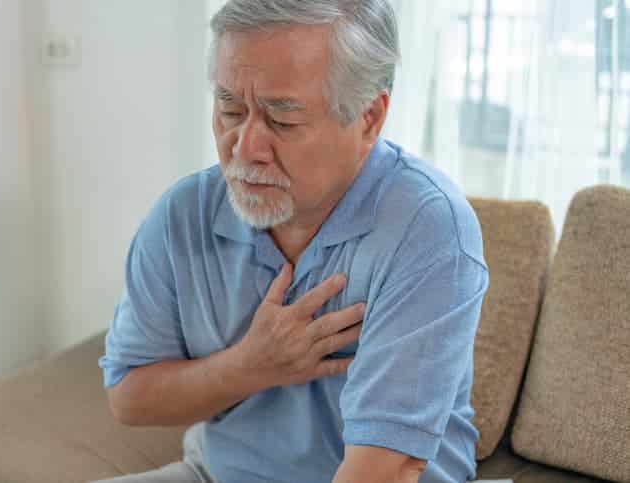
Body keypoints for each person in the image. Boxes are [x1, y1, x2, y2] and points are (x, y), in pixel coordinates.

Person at [95, 1, 489, 482]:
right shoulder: (183, 214)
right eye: (230, 109)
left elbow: (383, 471)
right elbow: (128, 397)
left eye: (282, 120)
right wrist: (251, 365)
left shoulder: (428, 227)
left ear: (369, 117)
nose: (244, 148)